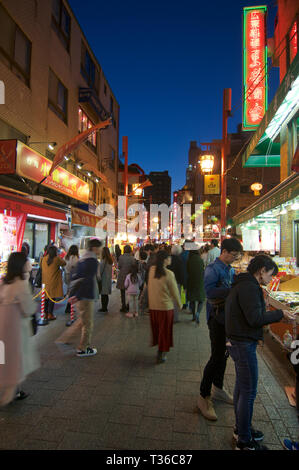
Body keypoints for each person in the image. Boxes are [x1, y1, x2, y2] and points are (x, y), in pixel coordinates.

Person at [225, 254, 296, 450]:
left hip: (238, 340)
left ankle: (242, 428)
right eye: (270, 275)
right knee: (248, 391)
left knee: (242, 387)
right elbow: (255, 318)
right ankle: (244, 441)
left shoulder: (244, 283)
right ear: (261, 271)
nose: (271, 279)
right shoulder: (249, 287)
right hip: (242, 343)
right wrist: (280, 313)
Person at [197, 237, 243, 421]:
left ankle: (218, 388)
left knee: (224, 354)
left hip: (227, 318)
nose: (234, 258)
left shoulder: (229, 269)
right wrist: (232, 290)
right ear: (224, 252)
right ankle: (203, 395)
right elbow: (209, 292)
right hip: (216, 318)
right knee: (216, 356)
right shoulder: (212, 269)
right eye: (233, 255)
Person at [0, 252, 39, 406]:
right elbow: (28, 308)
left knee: (3, 357)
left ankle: (13, 389)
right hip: (15, 327)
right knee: (16, 358)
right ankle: (10, 394)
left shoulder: (4, 281)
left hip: (2, 325)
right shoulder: (20, 284)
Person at [147, 250, 182, 364]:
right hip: (165, 308)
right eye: (169, 258)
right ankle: (162, 353)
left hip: (153, 307)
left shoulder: (151, 270)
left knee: (158, 330)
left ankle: (160, 350)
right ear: (165, 260)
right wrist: (180, 304)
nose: (170, 259)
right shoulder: (169, 274)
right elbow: (175, 292)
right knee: (165, 331)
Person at [70, 238, 102, 357]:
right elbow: (88, 280)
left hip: (80, 294)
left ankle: (66, 340)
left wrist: (74, 294)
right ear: (94, 248)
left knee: (83, 321)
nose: (100, 250)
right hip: (86, 295)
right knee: (87, 323)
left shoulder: (82, 258)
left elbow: (76, 276)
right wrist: (77, 295)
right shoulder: (92, 261)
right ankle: (83, 348)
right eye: (99, 247)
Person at [41, 245, 66, 321]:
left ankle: (45, 314)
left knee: (45, 298)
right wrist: (59, 256)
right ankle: (50, 314)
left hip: (45, 281)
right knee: (52, 298)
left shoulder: (43, 259)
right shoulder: (56, 259)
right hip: (54, 281)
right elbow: (64, 263)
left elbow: (40, 266)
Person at [187, 246, 205, 324]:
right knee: (201, 299)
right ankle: (198, 313)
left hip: (191, 281)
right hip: (200, 281)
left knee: (192, 299)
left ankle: (194, 316)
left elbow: (187, 271)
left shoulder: (189, 260)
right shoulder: (200, 260)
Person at [116, 245, 136, 312]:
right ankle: (128, 305)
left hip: (122, 276)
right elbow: (134, 266)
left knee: (122, 292)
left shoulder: (121, 257)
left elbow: (119, 267)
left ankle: (123, 306)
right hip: (130, 276)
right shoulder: (132, 258)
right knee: (130, 292)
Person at [168, 245, 184, 323]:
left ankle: (168, 316)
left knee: (168, 299)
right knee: (175, 300)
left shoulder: (168, 259)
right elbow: (181, 273)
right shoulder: (179, 260)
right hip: (176, 282)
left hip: (167, 282)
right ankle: (175, 318)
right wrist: (183, 283)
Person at [64, 245, 79, 314]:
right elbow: (75, 266)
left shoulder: (66, 257)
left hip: (66, 275)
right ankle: (69, 307)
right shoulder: (74, 257)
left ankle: (69, 307)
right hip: (72, 276)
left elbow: (64, 265)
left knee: (70, 290)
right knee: (72, 292)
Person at [99, 246, 113, 313]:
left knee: (103, 294)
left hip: (104, 279)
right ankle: (105, 307)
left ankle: (103, 308)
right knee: (106, 294)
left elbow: (100, 270)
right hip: (108, 278)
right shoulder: (110, 260)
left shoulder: (104, 261)